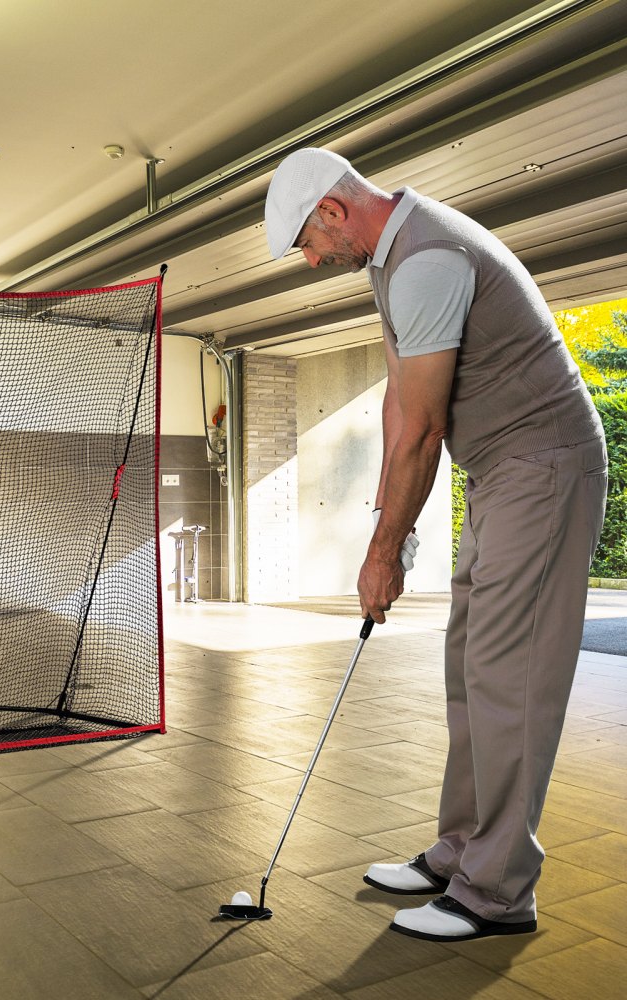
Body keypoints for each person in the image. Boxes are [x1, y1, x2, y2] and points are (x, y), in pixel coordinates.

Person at [264, 148, 608, 942]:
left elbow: (425, 429)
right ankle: (460, 851)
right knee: (468, 665)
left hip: (545, 465)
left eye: (308, 244)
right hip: (499, 472)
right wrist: (390, 523)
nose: (312, 261)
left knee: (509, 674)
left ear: (333, 211)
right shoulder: (390, 262)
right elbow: (401, 402)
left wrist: (382, 556)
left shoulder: (428, 260)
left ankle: (498, 892)